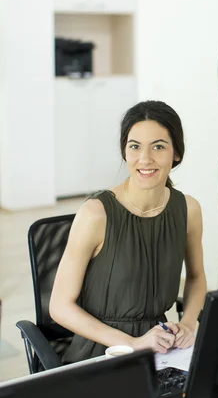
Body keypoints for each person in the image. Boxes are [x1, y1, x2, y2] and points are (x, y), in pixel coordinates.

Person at [50, 100, 207, 362]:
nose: (145, 159)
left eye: (158, 146)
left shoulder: (188, 209)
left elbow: (196, 277)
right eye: (135, 146)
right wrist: (133, 343)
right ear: (125, 151)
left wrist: (189, 323)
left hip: (161, 346)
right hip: (102, 351)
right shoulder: (95, 214)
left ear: (176, 153)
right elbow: (59, 307)